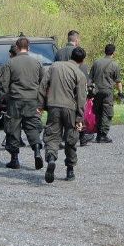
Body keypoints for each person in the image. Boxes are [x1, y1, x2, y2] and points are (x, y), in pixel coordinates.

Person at [39, 46, 88, 183]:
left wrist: (41, 105)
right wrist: (79, 118)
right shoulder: (80, 74)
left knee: (52, 136)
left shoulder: (54, 66)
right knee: (71, 139)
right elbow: (81, 99)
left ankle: (51, 158)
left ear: (71, 55)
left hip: (53, 106)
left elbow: (43, 85)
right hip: (70, 108)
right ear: (82, 61)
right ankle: (70, 170)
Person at [1, 37, 45, 169]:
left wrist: (5, 98)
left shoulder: (9, 63)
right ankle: (37, 150)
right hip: (32, 100)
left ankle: (14, 159)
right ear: (29, 47)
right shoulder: (37, 63)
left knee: (13, 128)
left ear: (17, 47)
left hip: (15, 100)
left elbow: (4, 85)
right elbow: (43, 83)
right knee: (31, 127)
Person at [89, 43, 124, 143]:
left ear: (105, 51)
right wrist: (120, 93)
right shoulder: (114, 64)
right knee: (107, 113)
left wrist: (89, 90)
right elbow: (118, 81)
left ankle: (98, 134)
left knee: (98, 112)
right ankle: (103, 135)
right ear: (113, 53)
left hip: (96, 91)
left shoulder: (96, 62)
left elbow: (90, 78)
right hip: (107, 91)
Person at [0, 44, 25, 148]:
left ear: (10, 54)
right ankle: (19, 139)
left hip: (11, 97)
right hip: (26, 97)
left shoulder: (7, 65)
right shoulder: (26, 64)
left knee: (11, 120)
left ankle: (11, 141)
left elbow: (1, 84)